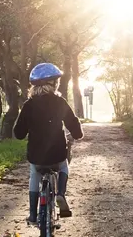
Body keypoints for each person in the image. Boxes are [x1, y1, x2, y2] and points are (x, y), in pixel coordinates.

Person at [13, 62, 83, 223]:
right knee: (64, 165)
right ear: (54, 84)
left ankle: (32, 213)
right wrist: (77, 134)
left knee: (34, 174)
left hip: (36, 156)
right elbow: (73, 125)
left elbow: (18, 133)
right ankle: (61, 194)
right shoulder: (60, 102)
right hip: (57, 154)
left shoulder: (28, 105)